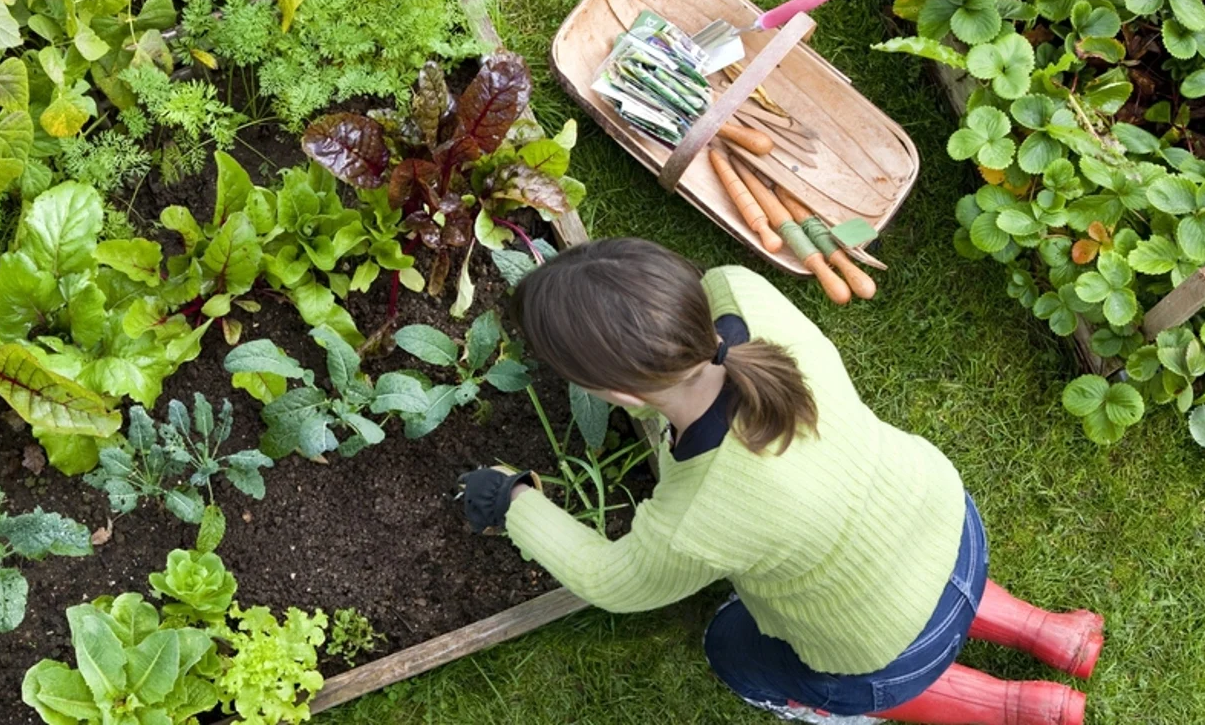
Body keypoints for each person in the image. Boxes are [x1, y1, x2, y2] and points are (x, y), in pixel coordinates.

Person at [458, 238, 1104, 725]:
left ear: (621, 395)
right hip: (946, 521)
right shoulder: (743, 294)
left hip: (884, 646)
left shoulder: (698, 515)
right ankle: (1053, 633)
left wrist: (513, 500)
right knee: (912, 577)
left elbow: (612, 581)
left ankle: (1016, 708)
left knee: (732, 648)